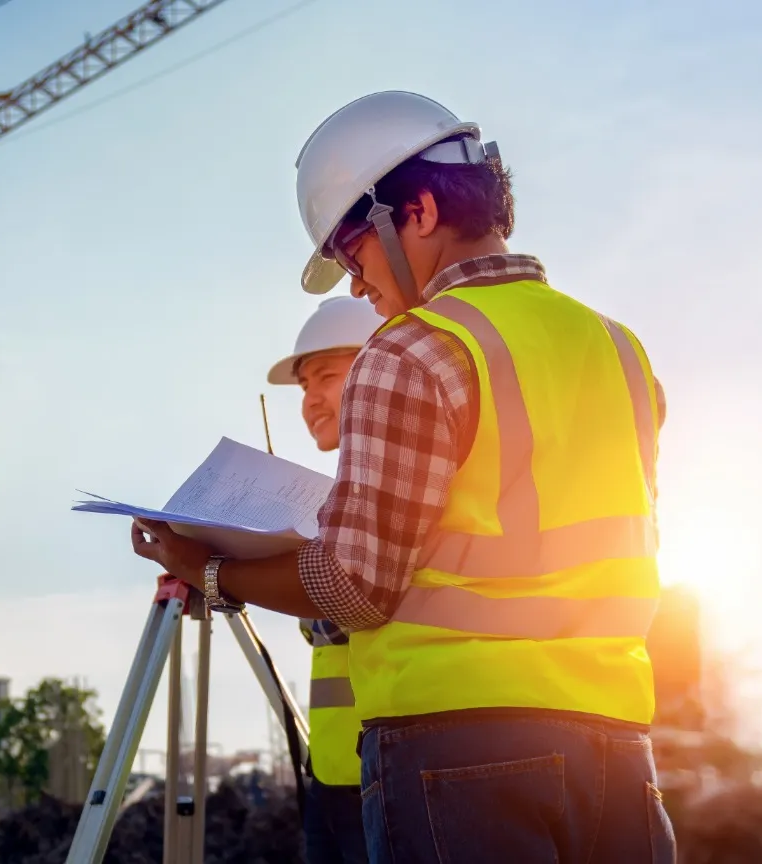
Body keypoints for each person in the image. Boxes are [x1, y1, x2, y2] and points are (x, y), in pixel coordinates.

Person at [132, 91, 674, 862]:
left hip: (461, 754)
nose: (357, 286)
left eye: (354, 255)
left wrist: (208, 570)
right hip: (619, 748)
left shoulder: (413, 349)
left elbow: (354, 586)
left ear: (416, 211)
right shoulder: (621, 350)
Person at [266, 295, 383, 864]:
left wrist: (222, 572)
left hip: (384, 777)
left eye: (327, 378)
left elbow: (349, 610)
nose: (310, 400)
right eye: (304, 385)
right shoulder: (332, 504)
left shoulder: (390, 491)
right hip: (333, 774)